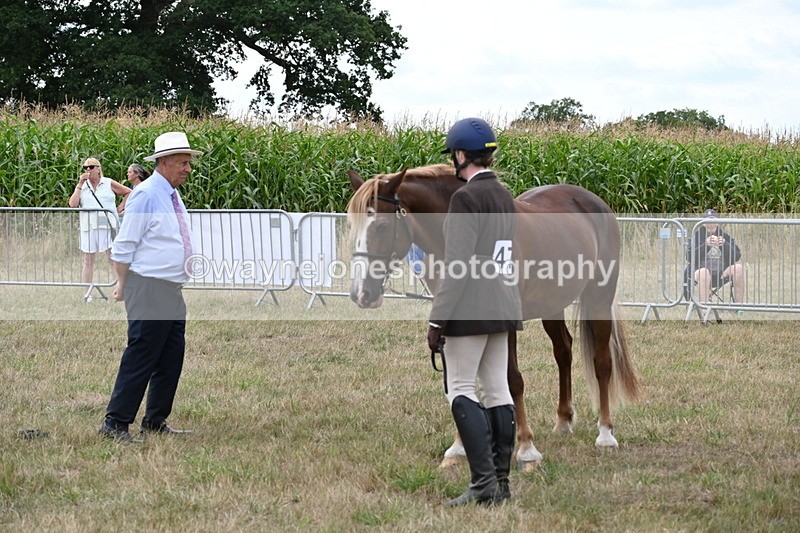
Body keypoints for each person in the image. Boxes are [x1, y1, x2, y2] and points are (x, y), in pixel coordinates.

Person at [426, 118, 523, 506]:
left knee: (460, 388)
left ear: (462, 155)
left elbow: (457, 264)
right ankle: (500, 484)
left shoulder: (465, 199)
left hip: (471, 307)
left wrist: (437, 319)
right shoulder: (504, 195)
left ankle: (482, 484)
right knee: (498, 390)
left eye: (455, 154)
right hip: (503, 301)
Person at [98, 132, 202, 443]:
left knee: (171, 357)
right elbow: (124, 245)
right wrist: (122, 284)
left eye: (188, 162)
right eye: (183, 162)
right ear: (165, 162)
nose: (188, 168)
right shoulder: (145, 195)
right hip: (148, 286)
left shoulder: (170, 193)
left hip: (170, 288)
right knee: (142, 354)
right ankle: (115, 423)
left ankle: (155, 420)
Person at [67, 157, 131, 301]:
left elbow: (128, 192)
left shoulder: (108, 183)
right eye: (85, 167)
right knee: (88, 259)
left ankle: (119, 290)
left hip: (106, 224)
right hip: (89, 225)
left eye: (91, 167)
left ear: (98, 168)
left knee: (112, 258)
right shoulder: (82, 186)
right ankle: (87, 293)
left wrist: (121, 206)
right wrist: (79, 185)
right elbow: (72, 204)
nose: (88, 170)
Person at [688, 208, 745, 303]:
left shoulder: (724, 236)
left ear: (718, 223)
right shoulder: (696, 236)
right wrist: (706, 245)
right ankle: (705, 309)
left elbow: (737, 256)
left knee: (738, 268)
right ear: (703, 223)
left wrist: (724, 245)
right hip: (702, 272)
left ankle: (739, 308)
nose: (711, 224)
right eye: (708, 222)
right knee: (704, 272)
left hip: (722, 273)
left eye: (713, 221)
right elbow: (689, 257)